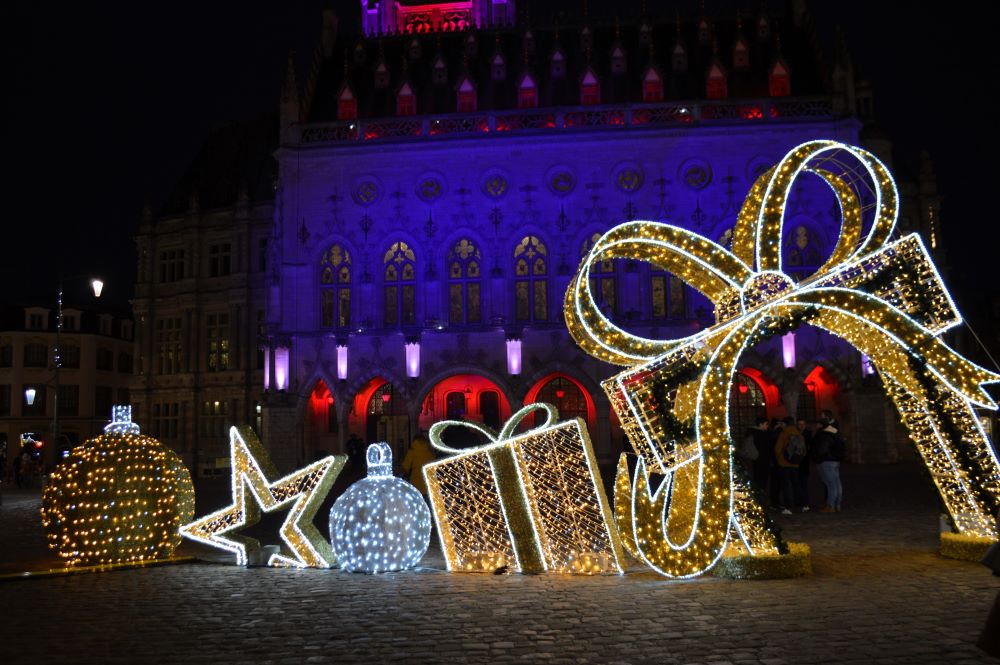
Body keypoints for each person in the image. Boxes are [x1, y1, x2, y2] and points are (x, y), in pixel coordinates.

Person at [812, 410, 845, 513]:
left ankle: (830, 505)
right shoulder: (835, 430)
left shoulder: (825, 433)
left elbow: (823, 449)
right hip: (835, 460)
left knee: (831, 484)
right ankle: (837, 505)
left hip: (827, 460)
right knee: (836, 483)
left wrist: (818, 458)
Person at [774, 417, 804, 515]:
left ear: (785, 424)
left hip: (784, 464)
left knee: (786, 486)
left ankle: (788, 507)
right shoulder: (798, 433)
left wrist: (779, 459)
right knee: (796, 484)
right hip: (795, 464)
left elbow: (778, 449)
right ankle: (801, 505)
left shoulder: (784, 434)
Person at [400, 434, 436, 501]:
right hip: (429, 486)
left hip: (417, 486)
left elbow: (405, 468)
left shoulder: (412, 452)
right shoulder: (430, 452)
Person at [748, 417, 771, 501]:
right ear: (761, 424)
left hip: (755, 460)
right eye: (766, 424)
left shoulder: (751, 433)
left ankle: (758, 499)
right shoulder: (761, 434)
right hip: (762, 460)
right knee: (762, 482)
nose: (767, 426)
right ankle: (760, 500)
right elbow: (765, 448)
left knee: (757, 480)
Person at [796, 418, 814, 511]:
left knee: (803, 483)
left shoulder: (807, 434)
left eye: (802, 424)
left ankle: (805, 502)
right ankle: (800, 500)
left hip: (804, 462)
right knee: (799, 482)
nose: (801, 426)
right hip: (798, 462)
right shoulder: (796, 434)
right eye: (799, 424)